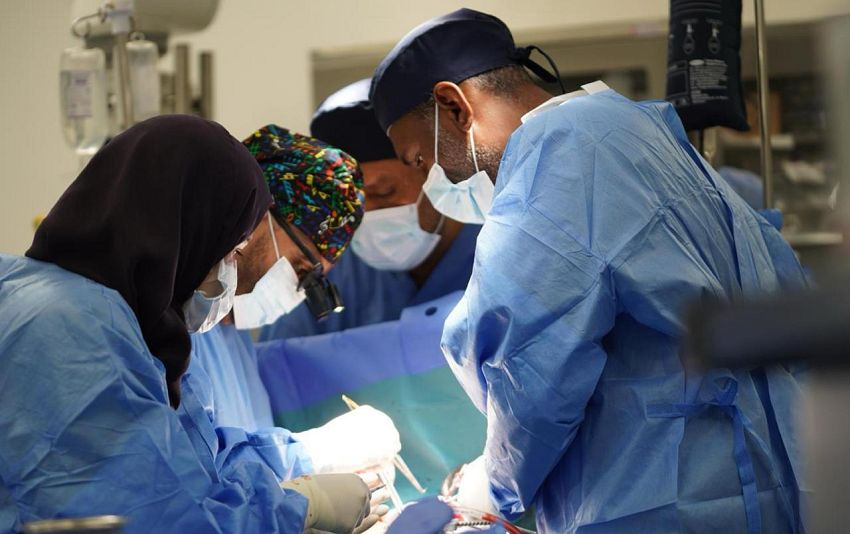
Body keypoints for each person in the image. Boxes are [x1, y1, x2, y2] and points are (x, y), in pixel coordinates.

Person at [370, 8, 809, 534]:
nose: (431, 179)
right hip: (766, 479)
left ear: (453, 106)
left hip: (661, 494)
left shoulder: (558, 159)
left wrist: (494, 482)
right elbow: (783, 287)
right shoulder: (638, 131)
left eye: (420, 159)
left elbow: (530, 363)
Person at [0, 116, 372, 533]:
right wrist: (297, 510)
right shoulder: (75, 332)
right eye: (231, 248)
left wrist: (299, 467)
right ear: (182, 228)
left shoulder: (136, 328)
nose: (231, 267)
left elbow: (199, 467)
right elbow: (158, 519)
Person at [184, 124, 402, 489]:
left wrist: (305, 489)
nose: (296, 292)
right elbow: (196, 478)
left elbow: (246, 477)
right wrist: (314, 453)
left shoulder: (232, 339)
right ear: (256, 218)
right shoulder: (171, 323)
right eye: (302, 271)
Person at [259, 78, 480, 341]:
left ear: (437, 176)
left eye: (384, 191)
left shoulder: (500, 255)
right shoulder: (327, 271)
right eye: (351, 200)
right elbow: (280, 358)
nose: (366, 210)